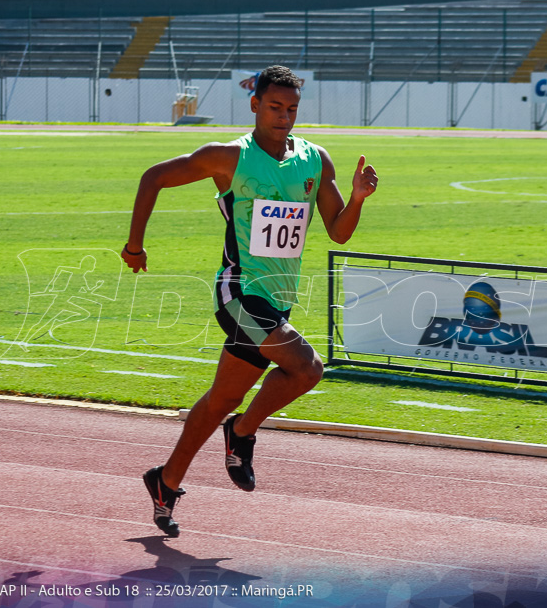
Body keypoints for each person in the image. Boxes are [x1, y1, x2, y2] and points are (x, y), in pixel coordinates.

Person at [120, 65, 378, 537]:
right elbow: (152, 178)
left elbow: (338, 232)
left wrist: (358, 198)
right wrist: (134, 246)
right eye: (275, 107)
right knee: (307, 367)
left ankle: (165, 482)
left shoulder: (315, 160)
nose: (284, 117)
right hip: (238, 291)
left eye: (292, 110)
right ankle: (242, 434)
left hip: (277, 299)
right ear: (255, 104)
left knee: (222, 398)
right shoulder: (228, 157)